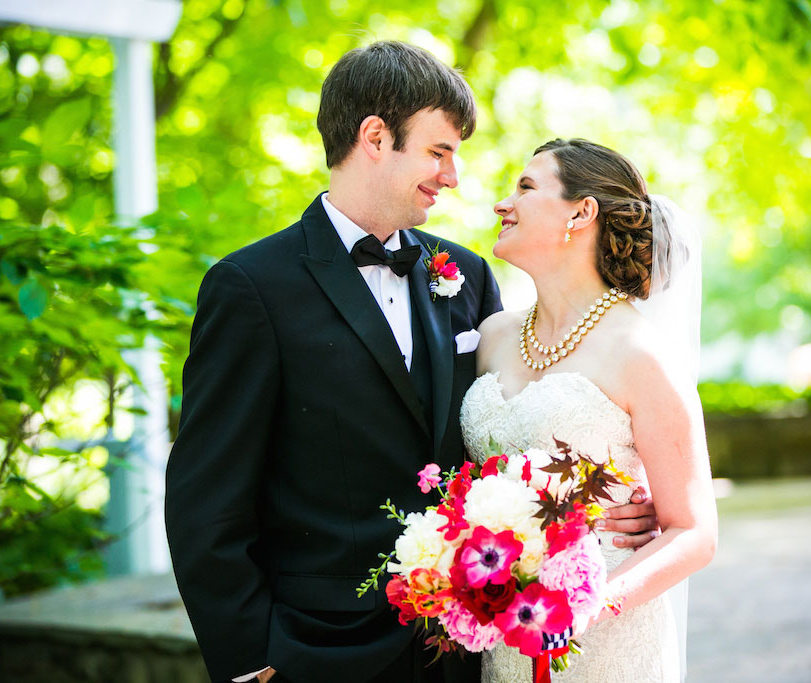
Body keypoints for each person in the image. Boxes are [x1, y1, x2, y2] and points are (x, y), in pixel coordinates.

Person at [165, 43, 661, 683]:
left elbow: (507, 440)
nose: (453, 176)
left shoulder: (467, 276)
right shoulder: (251, 287)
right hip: (316, 651)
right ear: (375, 136)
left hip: (464, 647)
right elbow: (207, 496)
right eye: (439, 151)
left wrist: (599, 502)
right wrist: (251, 660)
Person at [461, 138, 718, 682]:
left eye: (526, 188)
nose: (502, 204)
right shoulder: (493, 336)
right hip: (500, 638)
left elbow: (694, 532)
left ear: (581, 212)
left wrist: (589, 607)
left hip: (602, 642)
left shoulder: (641, 354)